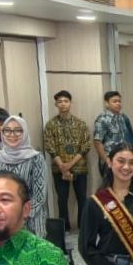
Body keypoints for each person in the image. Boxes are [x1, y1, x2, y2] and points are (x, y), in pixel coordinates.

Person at [0, 115, 48, 238]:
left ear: (25, 132)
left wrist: (20, 215)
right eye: (8, 130)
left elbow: (39, 196)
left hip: (32, 221)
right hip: (4, 220)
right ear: (2, 133)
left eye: (18, 130)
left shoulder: (36, 158)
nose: (12, 134)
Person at [43, 90, 92, 232]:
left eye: (66, 101)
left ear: (70, 103)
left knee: (82, 198)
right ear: (55, 104)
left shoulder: (81, 124)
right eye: (60, 101)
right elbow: (49, 145)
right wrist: (62, 165)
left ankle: (83, 227)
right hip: (59, 168)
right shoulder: (51, 125)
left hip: (79, 167)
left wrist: (70, 164)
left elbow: (86, 145)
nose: (63, 104)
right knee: (62, 199)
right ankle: (64, 229)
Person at [93, 90, 133, 175]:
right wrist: (107, 161)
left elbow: (129, 137)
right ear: (107, 103)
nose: (118, 103)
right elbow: (97, 142)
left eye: (119, 101)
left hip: (124, 158)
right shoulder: (102, 119)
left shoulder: (122, 117)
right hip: (110, 160)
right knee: (111, 183)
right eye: (114, 101)